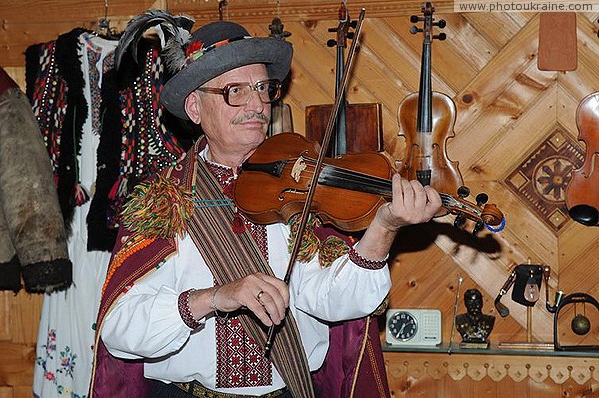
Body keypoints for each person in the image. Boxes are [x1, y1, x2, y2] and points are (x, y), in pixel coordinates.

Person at [90, 19, 442, 398]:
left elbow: (335, 300)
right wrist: (214, 298)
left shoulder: (299, 188)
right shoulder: (161, 200)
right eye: (235, 91)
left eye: (262, 88)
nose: (257, 104)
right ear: (195, 107)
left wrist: (383, 229)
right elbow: (119, 328)